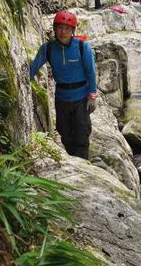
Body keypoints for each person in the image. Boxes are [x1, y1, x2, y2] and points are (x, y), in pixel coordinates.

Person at [29, 10, 97, 159]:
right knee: (64, 133)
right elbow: (33, 67)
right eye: (59, 28)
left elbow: (91, 72)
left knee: (82, 133)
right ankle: (72, 158)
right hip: (62, 97)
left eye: (67, 28)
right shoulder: (48, 48)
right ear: (54, 29)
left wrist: (92, 96)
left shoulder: (82, 47)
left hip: (81, 97)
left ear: (73, 31)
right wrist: (23, 79)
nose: (63, 32)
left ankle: (83, 164)